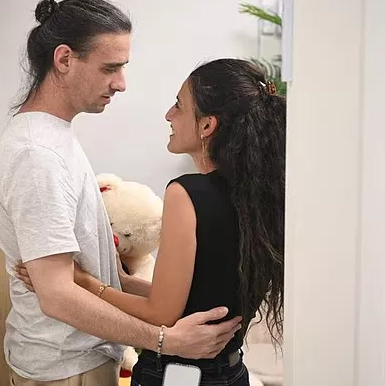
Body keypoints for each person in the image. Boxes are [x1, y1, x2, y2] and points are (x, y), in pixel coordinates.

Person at [0, 0, 242, 386]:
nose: (121, 83)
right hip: (66, 367)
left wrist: (107, 283)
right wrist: (165, 340)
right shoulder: (37, 155)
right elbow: (56, 296)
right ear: (64, 59)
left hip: (82, 358)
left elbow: (81, 278)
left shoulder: (54, 138)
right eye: (110, 68)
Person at [17, 58, 286, 385]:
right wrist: (122, 280)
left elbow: (163, 314)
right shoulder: (259, 196)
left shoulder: (186, 193)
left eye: (179, 105)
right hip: (231, 373)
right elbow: (196, 297)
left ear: (207, 126)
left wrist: (86, 283)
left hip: (178, 376)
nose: (169, 115)